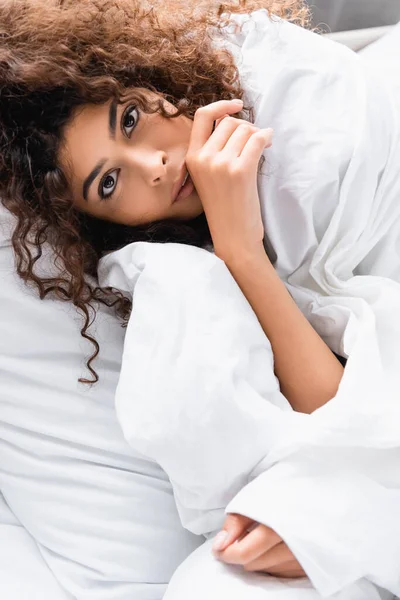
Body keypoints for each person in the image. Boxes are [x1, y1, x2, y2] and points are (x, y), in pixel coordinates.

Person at [1, 1, 400, 599]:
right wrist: (241, 251)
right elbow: (331, 405)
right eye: (109, 183)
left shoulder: (288, 105)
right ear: (96, 223)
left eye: (130, 119)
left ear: (143, 79)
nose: (156, 166)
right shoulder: (185, 269)